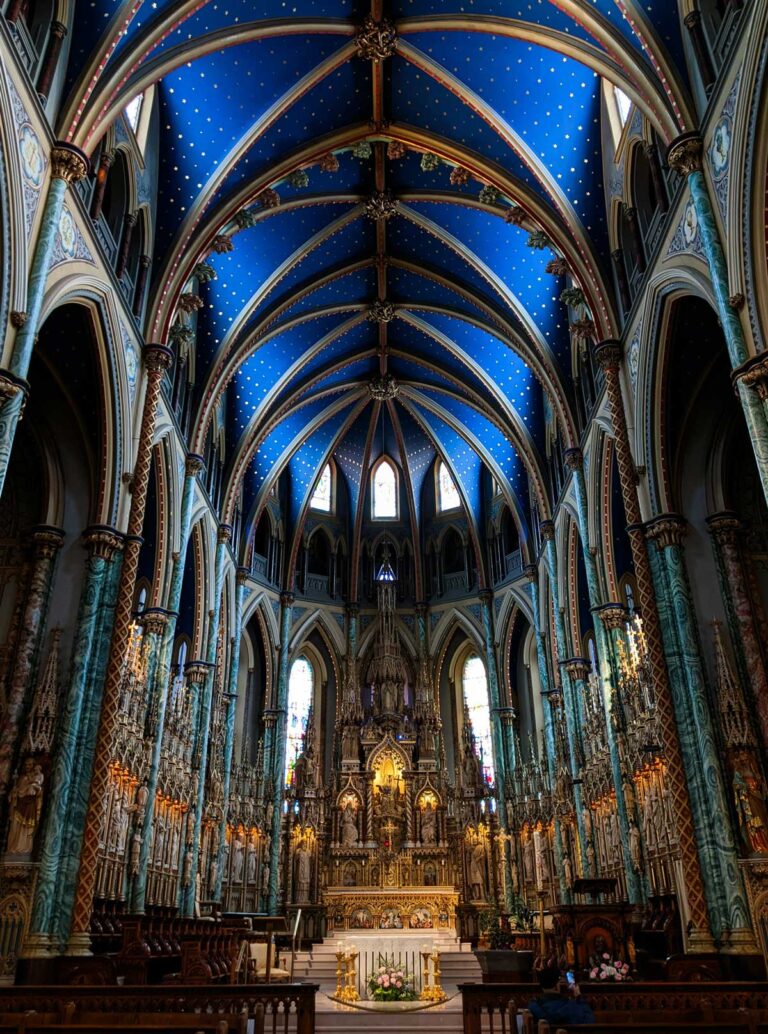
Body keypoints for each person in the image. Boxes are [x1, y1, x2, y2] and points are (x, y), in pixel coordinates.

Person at [527, 964, 595, 1026]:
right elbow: (589, 1021)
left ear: (541, 987)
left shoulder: (532, 1007)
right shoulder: (570, 1006)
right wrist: (579, 997)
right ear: (557, 986)